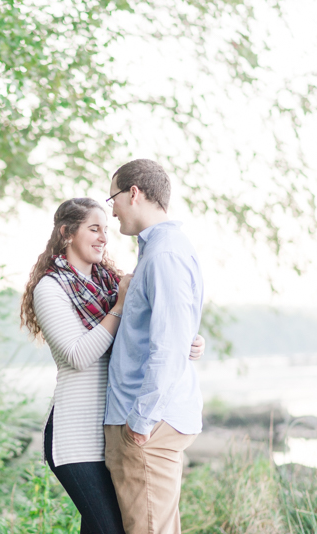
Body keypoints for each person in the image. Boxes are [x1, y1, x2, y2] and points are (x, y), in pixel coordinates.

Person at [20, 197, 205, 534]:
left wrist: (189, 342)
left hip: (112, 430)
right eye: (94, 228)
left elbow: (147, 334)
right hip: (74, 435)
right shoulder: (51, 288)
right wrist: (119, 304)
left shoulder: (110, 280)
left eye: (105, 229)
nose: (104, 237)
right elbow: (79, 355)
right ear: (66, 233)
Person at [103, 159, 205, 534]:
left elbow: (169, 345)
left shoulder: (164, 254)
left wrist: (140, 424)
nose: (110, 208)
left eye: (113, 196)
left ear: (134, 193)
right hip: (145, 419)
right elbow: (172, 332)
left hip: (147, 423)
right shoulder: (158, 250)